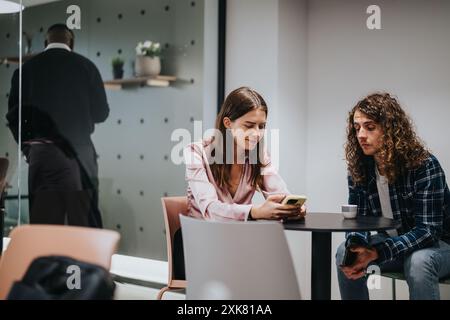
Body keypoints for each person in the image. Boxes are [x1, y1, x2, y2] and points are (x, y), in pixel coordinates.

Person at [336, 93, 450, 300]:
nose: (361, 134)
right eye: (357, 127)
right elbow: (358, 220)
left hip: (439, 247)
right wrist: (357, 246)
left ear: (390, 130)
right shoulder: (361, 168)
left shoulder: (424, 165)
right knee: (345, 252)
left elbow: (428, 232)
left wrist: (378, 251)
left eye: (370, 127)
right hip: (395, 243)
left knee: (418, 261)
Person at [6, 23, 109, 228]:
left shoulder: (26, 70)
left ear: (46, 42)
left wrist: (29, 148)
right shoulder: (86, 67)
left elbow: (14, 117)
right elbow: (101, 114)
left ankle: (47, 261)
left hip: (41, 153)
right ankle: (85, 260)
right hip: (80, 153)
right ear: (72, 42)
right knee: (85, 220)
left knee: (45, 224)